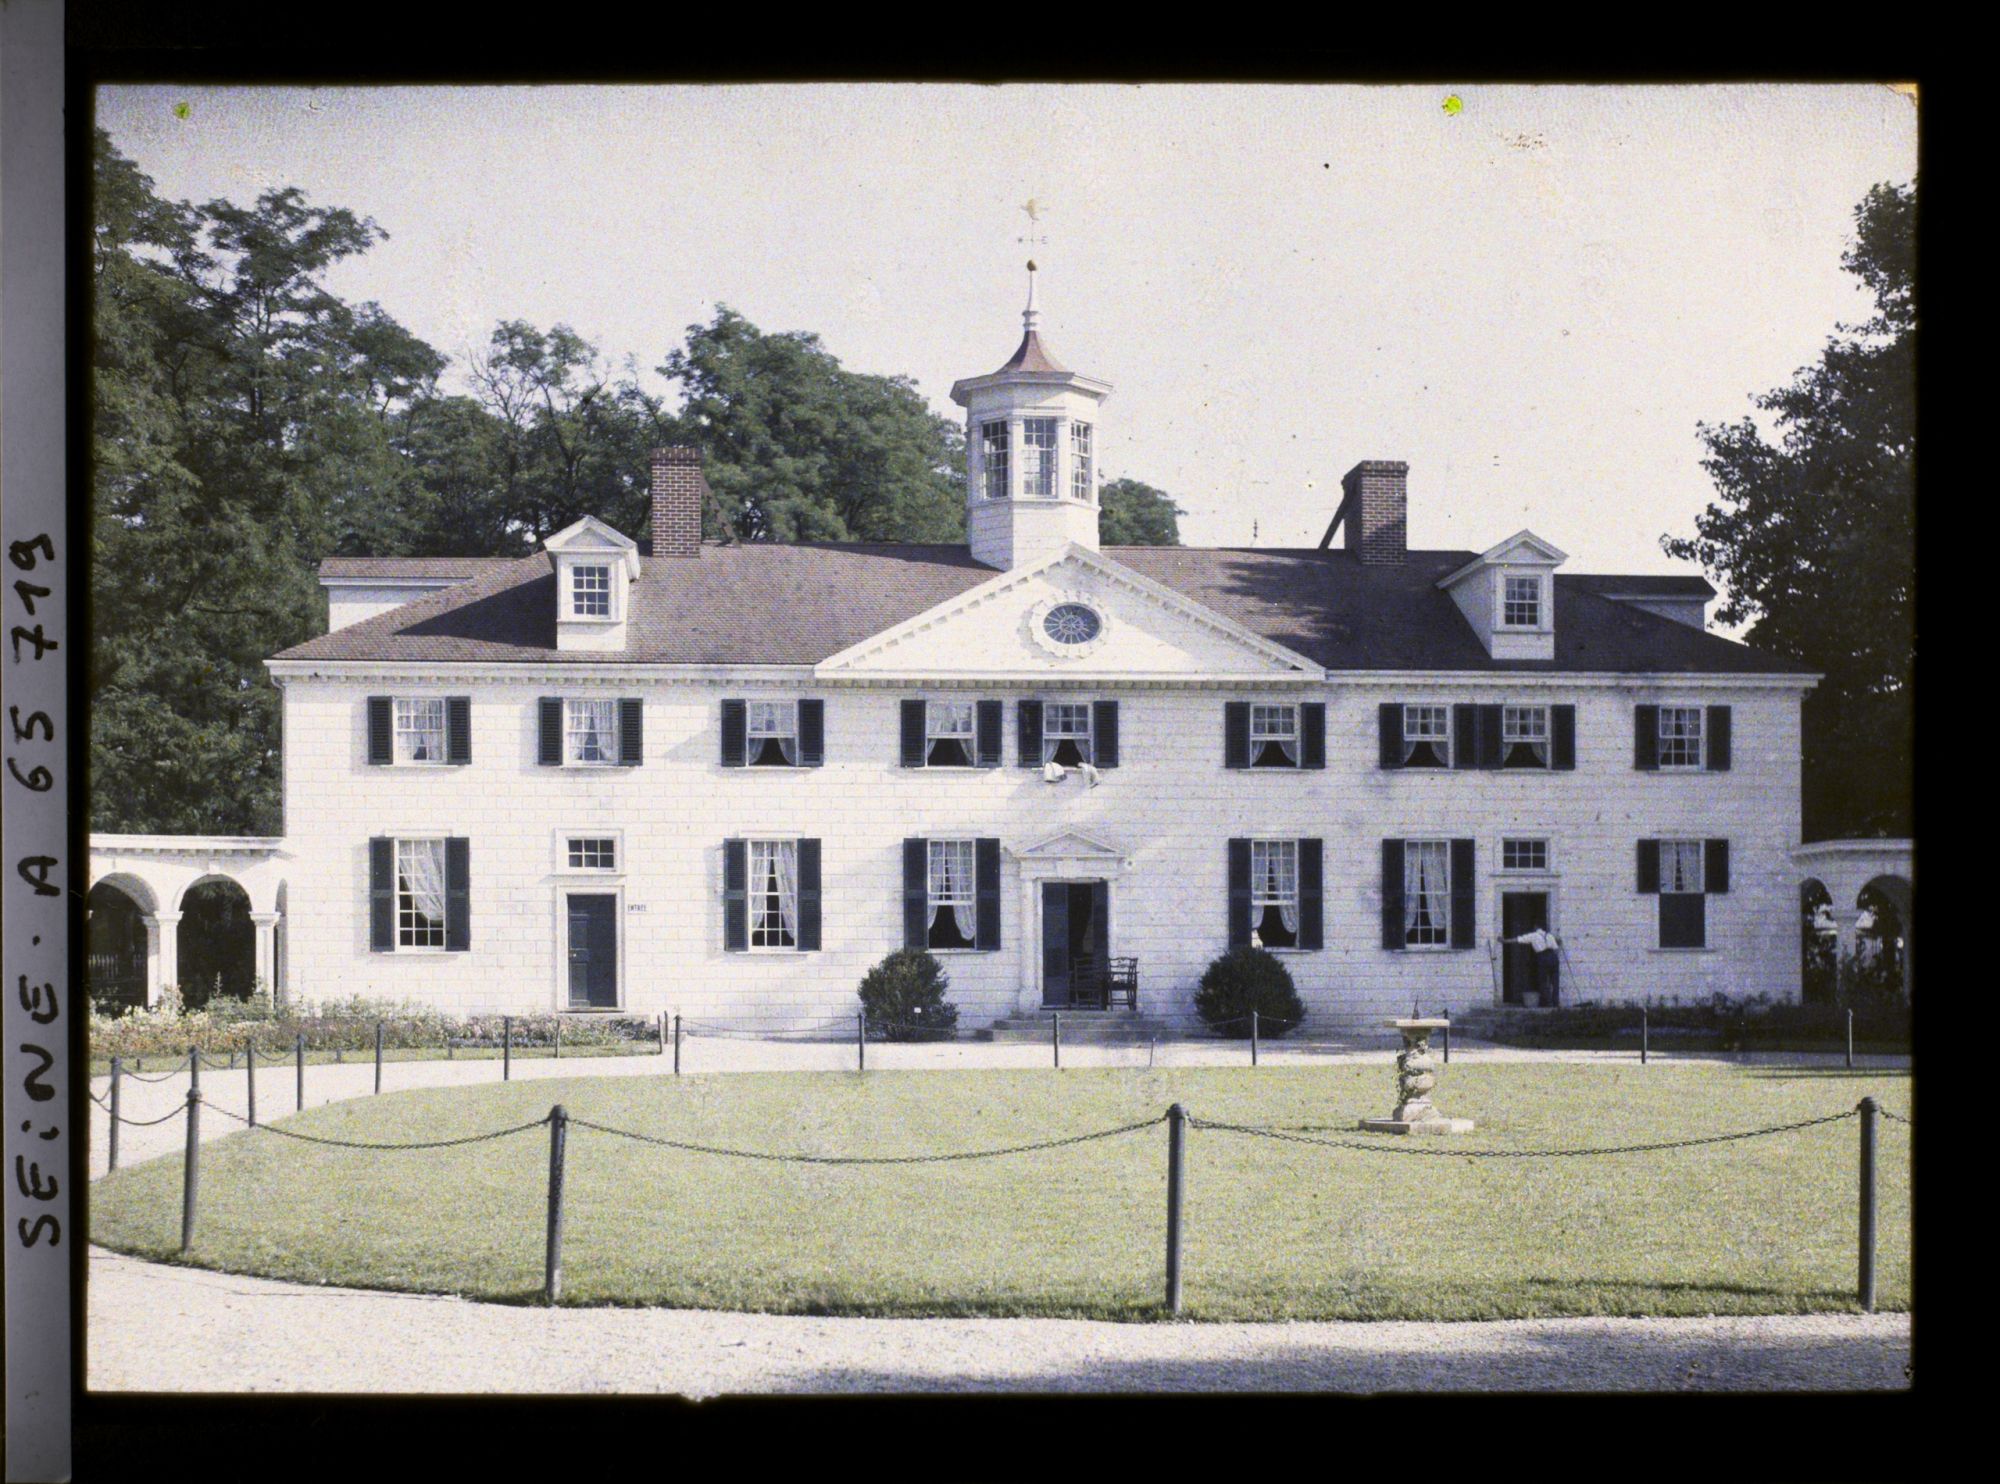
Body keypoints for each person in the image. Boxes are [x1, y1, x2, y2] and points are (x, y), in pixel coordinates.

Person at [1499, 926, 1562, 1007]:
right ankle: (1556, 1003)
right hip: (1553, 957)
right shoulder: (1550, 936)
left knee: (1542, 980)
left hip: (1542, 957)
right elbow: (1556, 949)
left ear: (1534, 929)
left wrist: (1504, 941)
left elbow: (1518, 939)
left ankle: (1548, 1002)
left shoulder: (1533, 936)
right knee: (1555, 981)